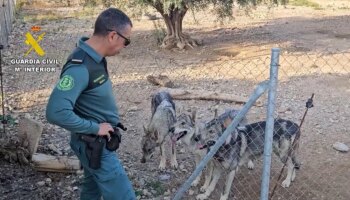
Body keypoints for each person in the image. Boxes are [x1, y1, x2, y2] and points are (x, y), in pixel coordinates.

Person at [46, 8, 136, 200]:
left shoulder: (94, 58)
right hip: (95, 146)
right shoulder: (80, 67)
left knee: (92, 188)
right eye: (126, 41)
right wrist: (95, 128)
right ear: (113, 36)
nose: (125, 46)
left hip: (91, 145)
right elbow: (55, 112)